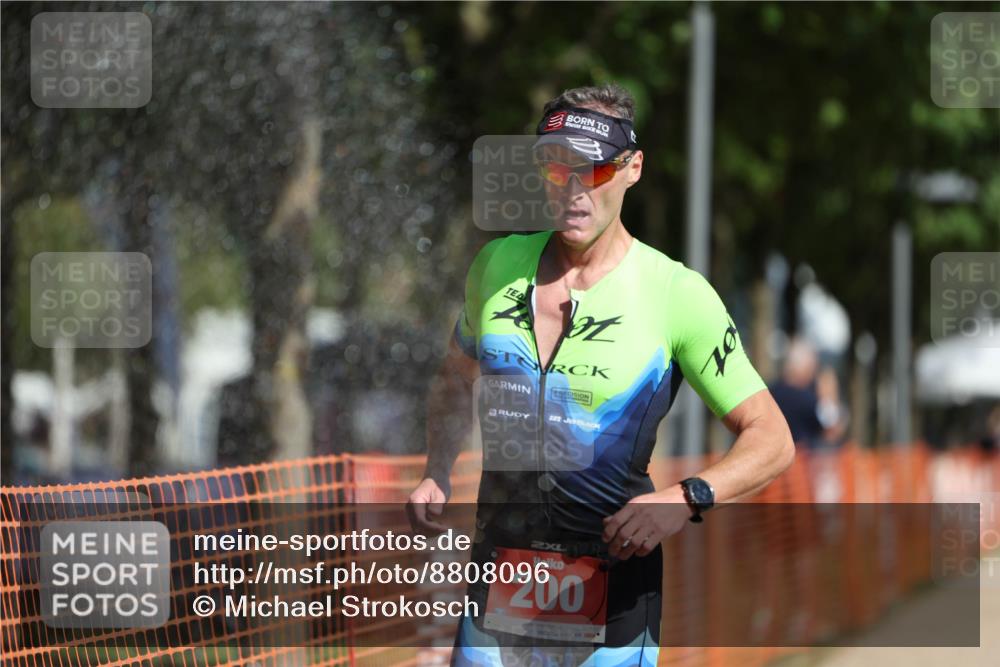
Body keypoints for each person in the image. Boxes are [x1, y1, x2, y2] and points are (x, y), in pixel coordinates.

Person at [407, 83, 794, 666]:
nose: (573, 189)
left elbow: (772, 436)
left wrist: (683, 499)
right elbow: (454, 379)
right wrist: (437, 470)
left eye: (593, 171)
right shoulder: (495, 266)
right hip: (498, 577)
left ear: (633, 169)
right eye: (556, 167)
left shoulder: (676, 295)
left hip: (612, 590)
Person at [768, 337, 845, 448]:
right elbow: (832, 429)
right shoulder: (808, 401)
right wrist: (829, 395)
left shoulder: (770, 392)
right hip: (801, 460)